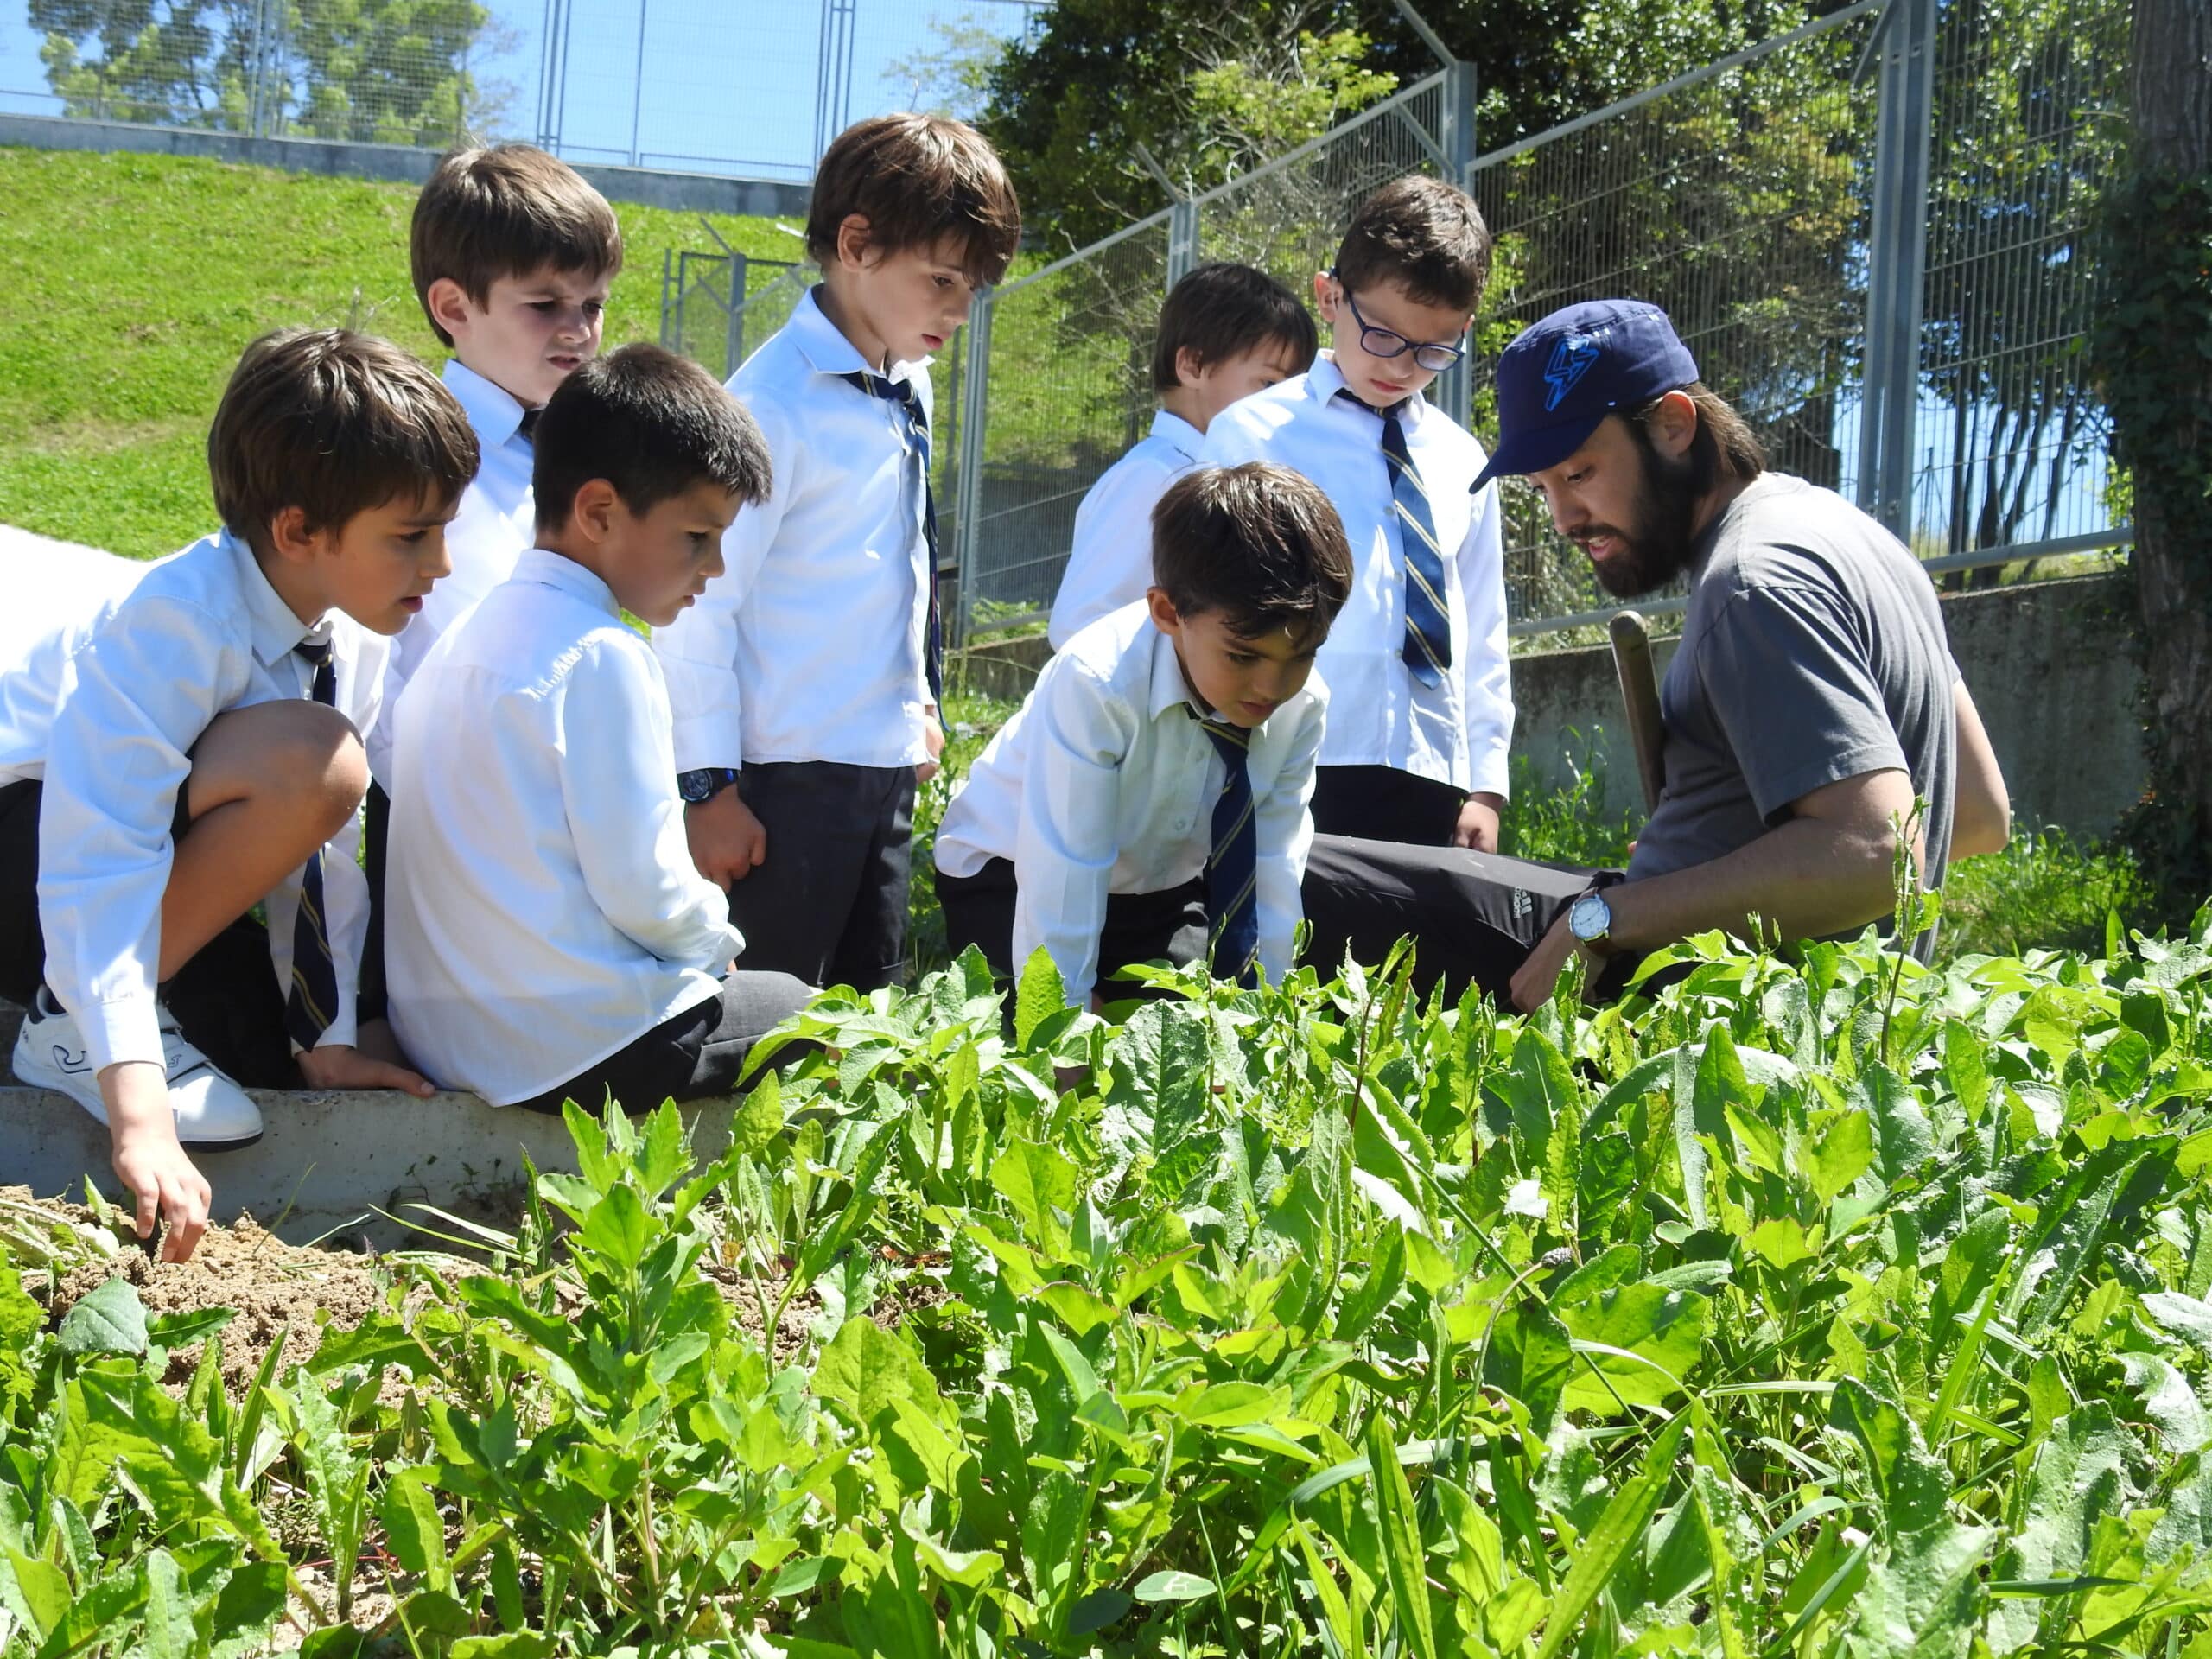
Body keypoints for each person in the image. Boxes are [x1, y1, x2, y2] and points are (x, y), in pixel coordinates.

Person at [1300, 299, 2013, 1007]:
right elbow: (1979, 814)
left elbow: (1875, 856)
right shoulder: (1852, 536)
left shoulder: (1752, 583)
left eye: (1579, 474)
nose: (1563, 520)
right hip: (1809, 990)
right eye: (1544, 488)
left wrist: (1611, 921)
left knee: (1308, 878)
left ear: (1674, 425)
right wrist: (1709, 880)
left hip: (1714, 1006)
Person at [2, 329, 478, 1260]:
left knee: (258, 1054)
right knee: (315, 757)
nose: (442, 564)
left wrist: (327, 1036)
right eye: (412, 535)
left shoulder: (352, 627)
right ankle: (66, 1029)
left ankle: (103, 1019)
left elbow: (327, 855)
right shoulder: (179, 620)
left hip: (139, 873)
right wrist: (134, 1109)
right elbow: (95, 854)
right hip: (29, 854)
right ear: (299, 531)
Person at [385, 343, 812, 1116]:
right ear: (599, 512)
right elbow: (645, 893)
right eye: (697, 537)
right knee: (820, 1016)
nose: (712, 568)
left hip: (438, 1038)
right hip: (568, 1045)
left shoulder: (464, 642)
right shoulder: (602, 655)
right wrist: (722, 948)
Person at [655, 111, 1021, 992]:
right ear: (856, 243)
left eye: (971, 288)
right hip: (784, 780)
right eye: (940, 279)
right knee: (771, 1007)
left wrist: (917, 703)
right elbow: (700, 607)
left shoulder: (907, 380)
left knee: (869, 1006)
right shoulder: (769, 408)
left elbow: (898, 558)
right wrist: (707, 789)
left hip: (880, 765)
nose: (958, 310)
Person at [360, 146, 625, 1014]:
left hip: (546, 812)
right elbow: (376, 663)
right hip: (428, 814)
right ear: (452, 306)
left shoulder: (580, 457)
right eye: (544, 305)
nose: (578, 330)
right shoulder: (412, 462)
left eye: (591, 304)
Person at [934, 462, 1352, 1008]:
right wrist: (1065, 1033)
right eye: (1243, 656)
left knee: (1184, 1036)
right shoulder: (1097, 682)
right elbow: (1062, 871)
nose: (1273, 684)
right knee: (1043, 1034)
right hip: (1008, 871)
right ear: (1167, 612)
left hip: (1156, 887)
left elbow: (1273, 862)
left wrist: (1264, 1015)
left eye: (1301, 655)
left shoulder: (1303, 701)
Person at [1201, 175, 1513, 852]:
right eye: (1383, 336)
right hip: (1290, 752)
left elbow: (1484, 626)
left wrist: (1485, 783)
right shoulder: (1252, 436)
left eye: (1435, 350)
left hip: (1430, 762)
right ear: (1330, 296)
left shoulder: (1462, 460)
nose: (1403, 367)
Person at [1046, 263, 1318, 646]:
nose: (1282, 404)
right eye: (1269, 383)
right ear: (1192, 365)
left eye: (1292, 391)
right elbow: (1079, 626)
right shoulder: (1156, 477)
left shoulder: (1217, 476)